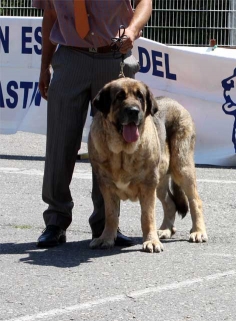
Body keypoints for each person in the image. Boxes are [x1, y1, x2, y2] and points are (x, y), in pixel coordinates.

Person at [34, 0, 153, 247]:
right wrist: (44, 66)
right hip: (70, 59)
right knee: (60, 144)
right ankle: (55, 222)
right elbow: (50, 14)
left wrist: (131, 32)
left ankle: (106, 225)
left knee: (111, 147)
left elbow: (146, 2)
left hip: (112, 57)